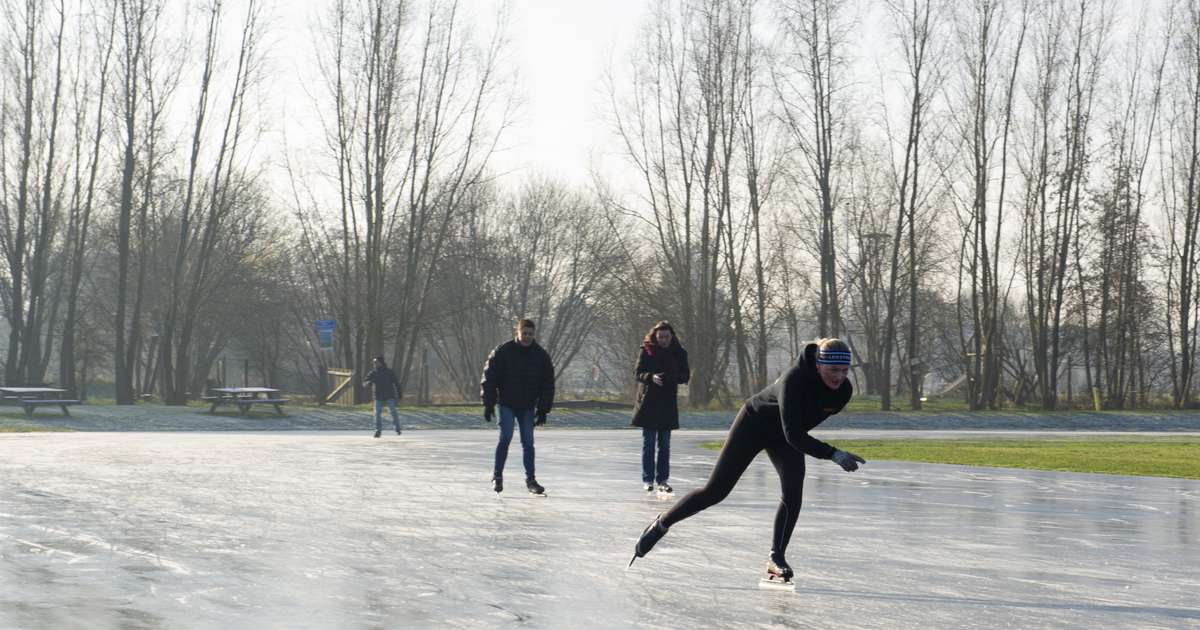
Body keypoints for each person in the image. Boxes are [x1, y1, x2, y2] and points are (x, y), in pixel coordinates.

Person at [628, 338, 866, 585]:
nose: (839, 377)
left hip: (786, 435)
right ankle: (661, 524)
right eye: (833, 370)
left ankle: (776, 557)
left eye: (844, 370)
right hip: (754, 425)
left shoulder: (844, 392)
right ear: (818, 365)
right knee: (715, 491)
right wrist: (834, 454)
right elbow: (795, 433)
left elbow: (797, 431)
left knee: (793, 494)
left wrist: (816, 448)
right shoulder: (794, 379)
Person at [480, 318, 556, 495]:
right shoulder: (503, 351)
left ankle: (531, 480)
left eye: (530, 334)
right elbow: (489, 377)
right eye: (524, 333)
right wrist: (489, 403)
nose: (527, 337)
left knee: (528, 443)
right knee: (505, 437)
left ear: (534, 334)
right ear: (518, 333)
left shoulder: (541, 356)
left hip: (527, 406)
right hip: (506, 403)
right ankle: (497, 476)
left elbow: (548, 384)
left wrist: (543, 410)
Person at [630, 321, 690, 494]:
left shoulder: (679, 353)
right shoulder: (646, 351)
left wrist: (671, 378)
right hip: (648, 402)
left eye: (667, 337)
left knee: (664, 444)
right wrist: (651, 377)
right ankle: (647, 479)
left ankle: (662, 480)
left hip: (667, 404)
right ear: (655, 337)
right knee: (648, 443)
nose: (664, 340)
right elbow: (637, 373)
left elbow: (685, 375)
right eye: (660, 337)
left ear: (672, 337)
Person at [363, 355, 403, 438]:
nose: (374, 364)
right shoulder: (373, 373)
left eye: (376, 362)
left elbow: (396, 382)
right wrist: (369, 383)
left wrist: (399, 393)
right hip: (378, 396)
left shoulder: (389, 372)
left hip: (389, 395)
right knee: (377, 414)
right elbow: (364, 383)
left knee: (393, 412)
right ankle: (378, 430)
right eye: (374, 362)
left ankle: (397, 428)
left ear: (381, 363)